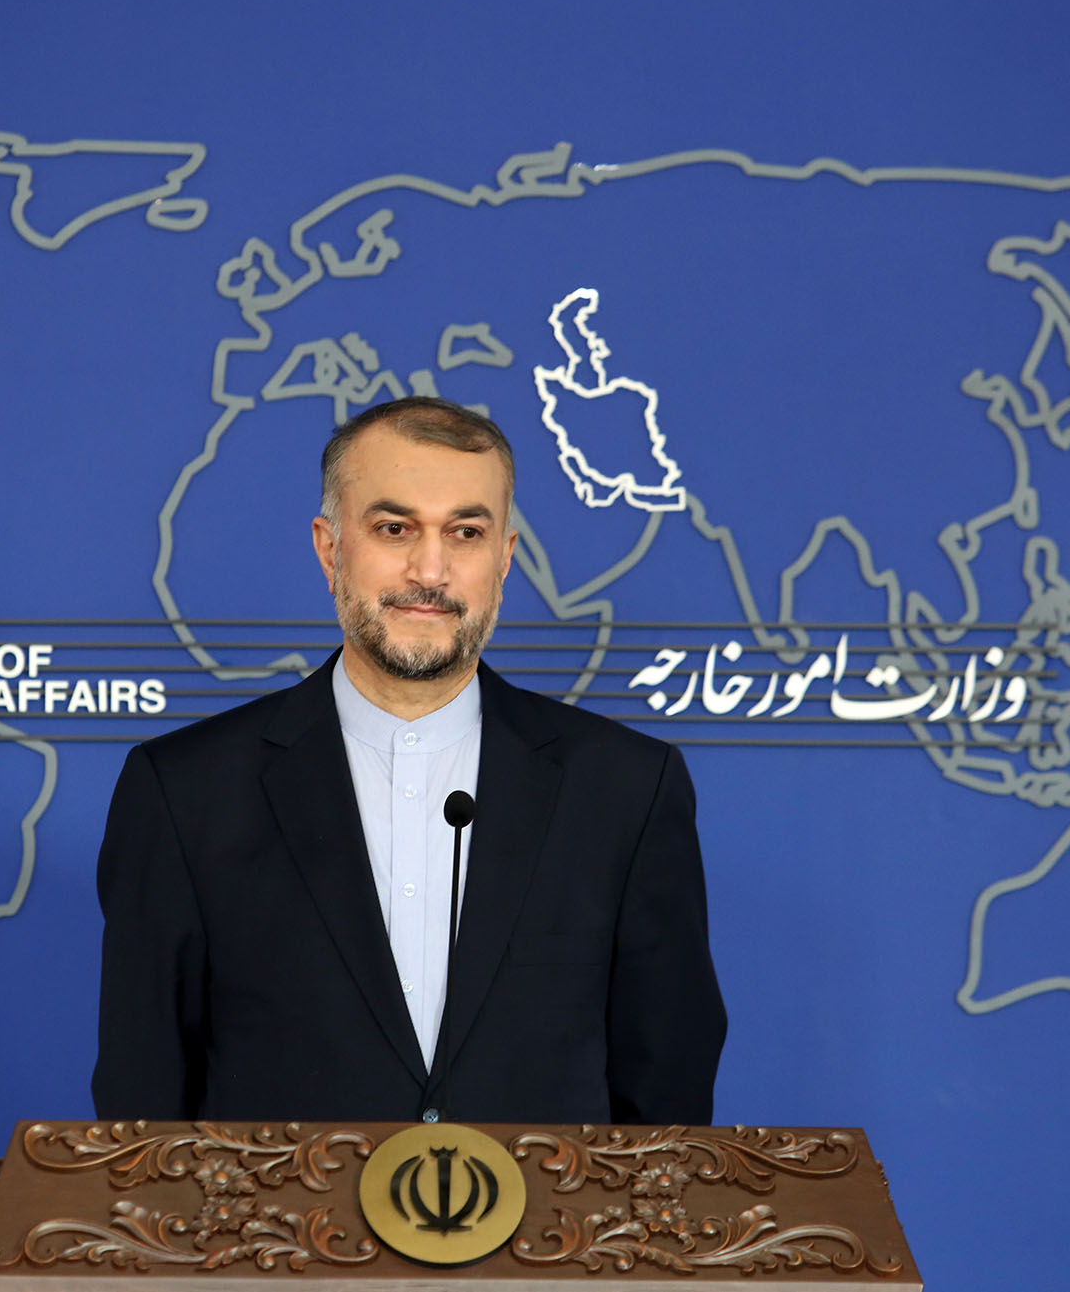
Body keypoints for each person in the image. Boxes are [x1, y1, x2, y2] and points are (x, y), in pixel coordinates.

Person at [92, 396, 725, 1124]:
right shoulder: (184, 792)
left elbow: (667, 1108)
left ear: (505, 557)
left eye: (466, 532)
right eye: (395, 528)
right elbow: (142, 1111)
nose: (431, 569)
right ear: (330, 548)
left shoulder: (627, 789)